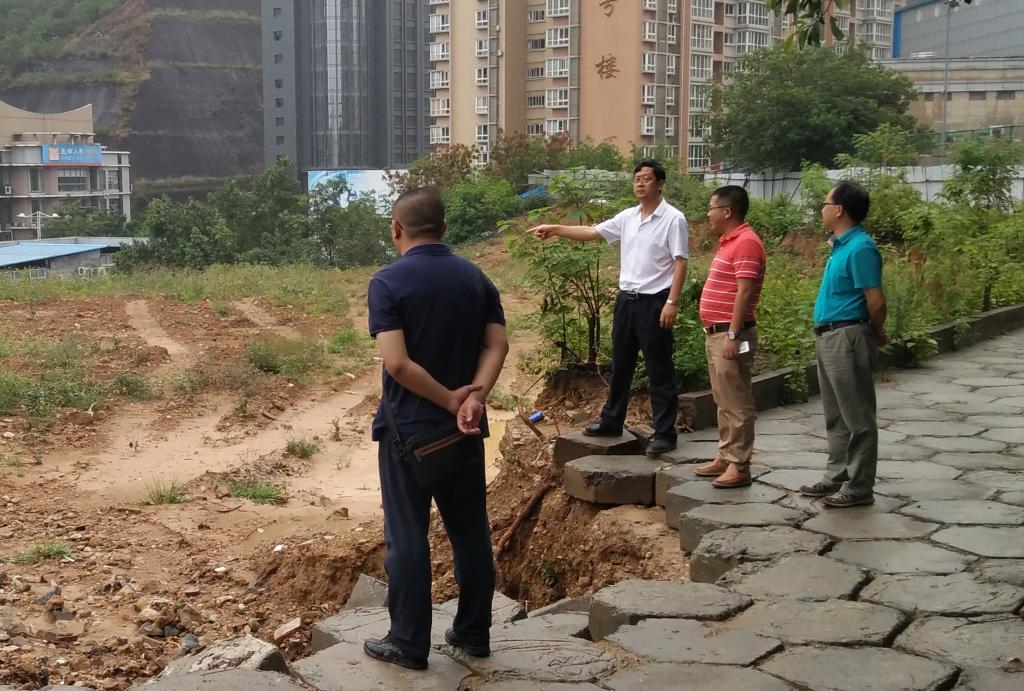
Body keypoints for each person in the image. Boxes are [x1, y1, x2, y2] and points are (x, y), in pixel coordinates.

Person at [363, 187, 509, 669]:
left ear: (396, 229)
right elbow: (497, 345)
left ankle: (408, 643)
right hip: (464, 431)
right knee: (470, 534)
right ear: (444, 228)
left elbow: (397, 364)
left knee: (407, 538)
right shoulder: (475, 278)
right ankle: (473, 633)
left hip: (408, 434)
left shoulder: (387, 282)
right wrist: (474, 398)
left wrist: (448, 398)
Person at [528, 160, 688, 457]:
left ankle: (665, 432)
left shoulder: (673, 219)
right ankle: (612, 421)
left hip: (655, 301)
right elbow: (593, 232)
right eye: (637, 178)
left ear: (660, 184)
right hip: (626, 301)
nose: (640, 183)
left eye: (646, 179)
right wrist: (556, 229)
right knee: (621, 364)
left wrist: (672, 302)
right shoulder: (628, 217)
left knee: (659, 368)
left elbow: (680, 261)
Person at [799, 180, 887, 508]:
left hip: (848, 336)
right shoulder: (840, 246)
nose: (821, 209)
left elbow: (876, 300)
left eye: (825, 204)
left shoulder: (861, 248)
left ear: (839, 210)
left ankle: (860, 486)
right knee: (835, 414)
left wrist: (874, 331)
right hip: (829, 335)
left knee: (857, 416)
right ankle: (837, 475)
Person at [693, 186, 766, 488]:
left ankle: (739, 464)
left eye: (711, 208)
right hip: (717, 332)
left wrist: (733, 335)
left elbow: (744, 291)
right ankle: (726, 455)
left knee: (736, 400)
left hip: (730, 332)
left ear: (727, 211)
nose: (708, 214)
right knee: (723, 398)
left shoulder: (746, 243)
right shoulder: (729, 242)